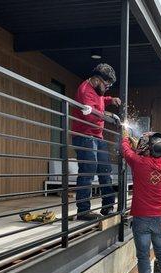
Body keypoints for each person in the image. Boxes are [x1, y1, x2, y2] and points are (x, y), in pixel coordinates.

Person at [121, 130, 161, 273]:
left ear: (147, 148)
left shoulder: (139, 162)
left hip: (142, 218)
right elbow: (144, 156)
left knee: (143, 257)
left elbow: (126, 151)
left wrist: (125, 138)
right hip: (160, 218)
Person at [71, 63, 122, 221]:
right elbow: (90, 115)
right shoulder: (85, 91)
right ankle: (83, 211)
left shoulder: (97, 90)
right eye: (106, 85)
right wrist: (108, 115)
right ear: (97, 79)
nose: (107, 88)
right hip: (85, 136)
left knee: (105, 171)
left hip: (97, 137)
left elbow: (100, 99)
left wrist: (110, 99)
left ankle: (108, 207)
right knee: (88, 170)